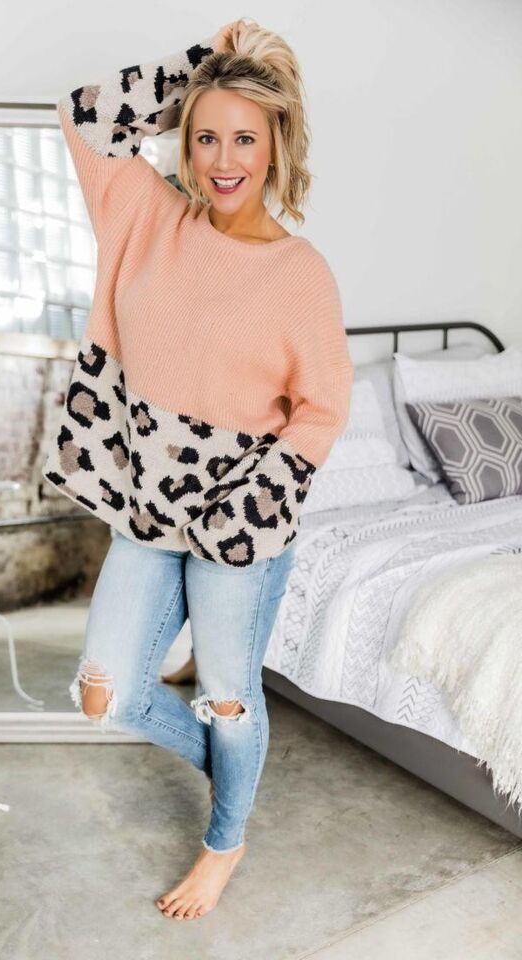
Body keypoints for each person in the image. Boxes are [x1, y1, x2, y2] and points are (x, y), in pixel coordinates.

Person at [44, 18, 353, 920]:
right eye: (206, 135)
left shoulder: (301, 274)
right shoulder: (145, 215)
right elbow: (82, 114)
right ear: (184, 133)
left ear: (277, 146)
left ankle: (226, 838)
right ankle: (234, 771)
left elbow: (322, 411)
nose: (223, 160)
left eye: (245, 139)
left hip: (239, 530)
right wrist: (201, 69)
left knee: (229, 700)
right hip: (148, 517)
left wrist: (241, 513)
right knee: (107, 696)